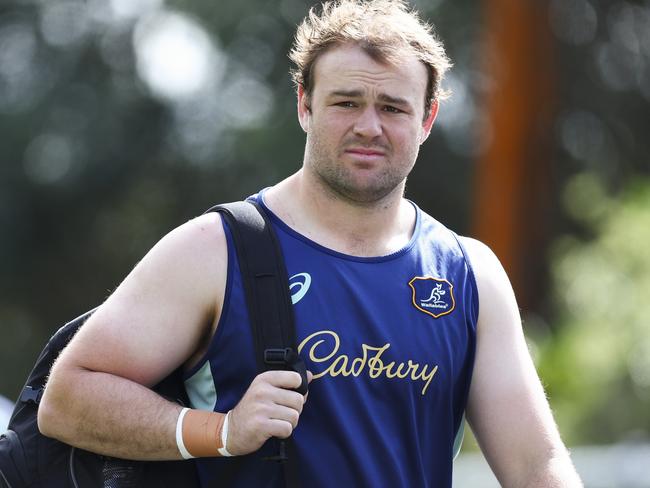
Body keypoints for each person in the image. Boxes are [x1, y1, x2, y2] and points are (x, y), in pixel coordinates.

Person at [38, 0, 583, 486]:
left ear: (427, 119)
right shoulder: (216, 249)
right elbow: (66, 399)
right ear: (304, 105)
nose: (369, 126)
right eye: (346, 102)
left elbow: (536, 465)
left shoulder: (469, 275)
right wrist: (221, 431)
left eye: (393, 107)